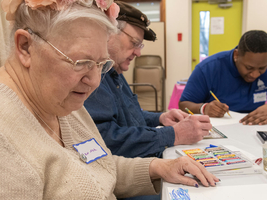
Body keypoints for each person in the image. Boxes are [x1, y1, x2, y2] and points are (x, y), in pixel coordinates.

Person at [0, 0, 219, 199]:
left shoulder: (59, 101)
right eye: (80, 62)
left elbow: (96, 165)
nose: (93, 82)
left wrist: (157, 168)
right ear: (25, 46)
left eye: (101, 65)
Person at [84, 1, 212, 160]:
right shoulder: (92, 76)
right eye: (134, 43)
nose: (138, 53)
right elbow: (107, 140)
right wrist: (174, 134)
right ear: (108, 33)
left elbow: (129, 117)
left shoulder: (114, 71)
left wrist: (160, 118)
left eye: (140, 45)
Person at [179, 30, 267, 125]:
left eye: (262, 68)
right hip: (218, 127)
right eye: (249, 68)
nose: (255, 74)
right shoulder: (208, 68)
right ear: (236, 55)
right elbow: (184, 104)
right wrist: (204, 108)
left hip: (255, 127)